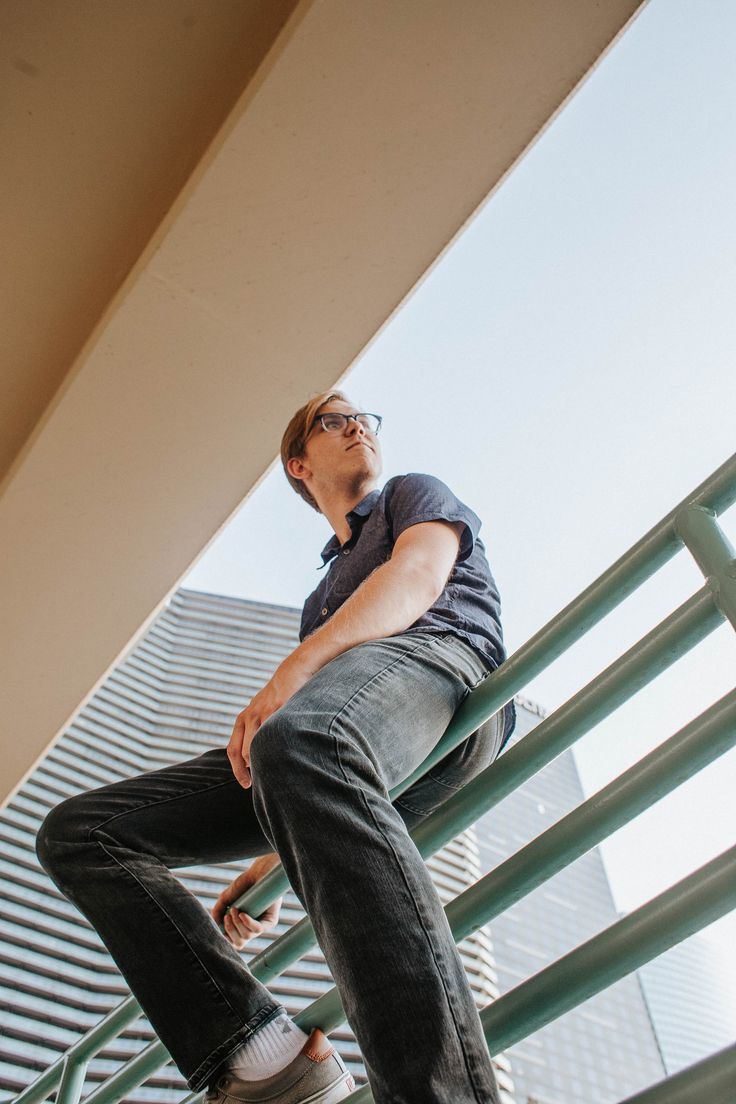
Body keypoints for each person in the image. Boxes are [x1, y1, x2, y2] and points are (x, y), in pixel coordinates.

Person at [36, 390, 515, 1104]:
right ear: (299, 463)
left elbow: (416, 578)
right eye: (333, 421)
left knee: (298, 736)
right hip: (342, 738)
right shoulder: (322, 600)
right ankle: (263, 1058)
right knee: (80, 835)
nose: (357, 425)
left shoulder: (412, 495)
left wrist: (292, 672)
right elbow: (315, 748)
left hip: (446, 677)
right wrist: (271, 872)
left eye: (364, 417)